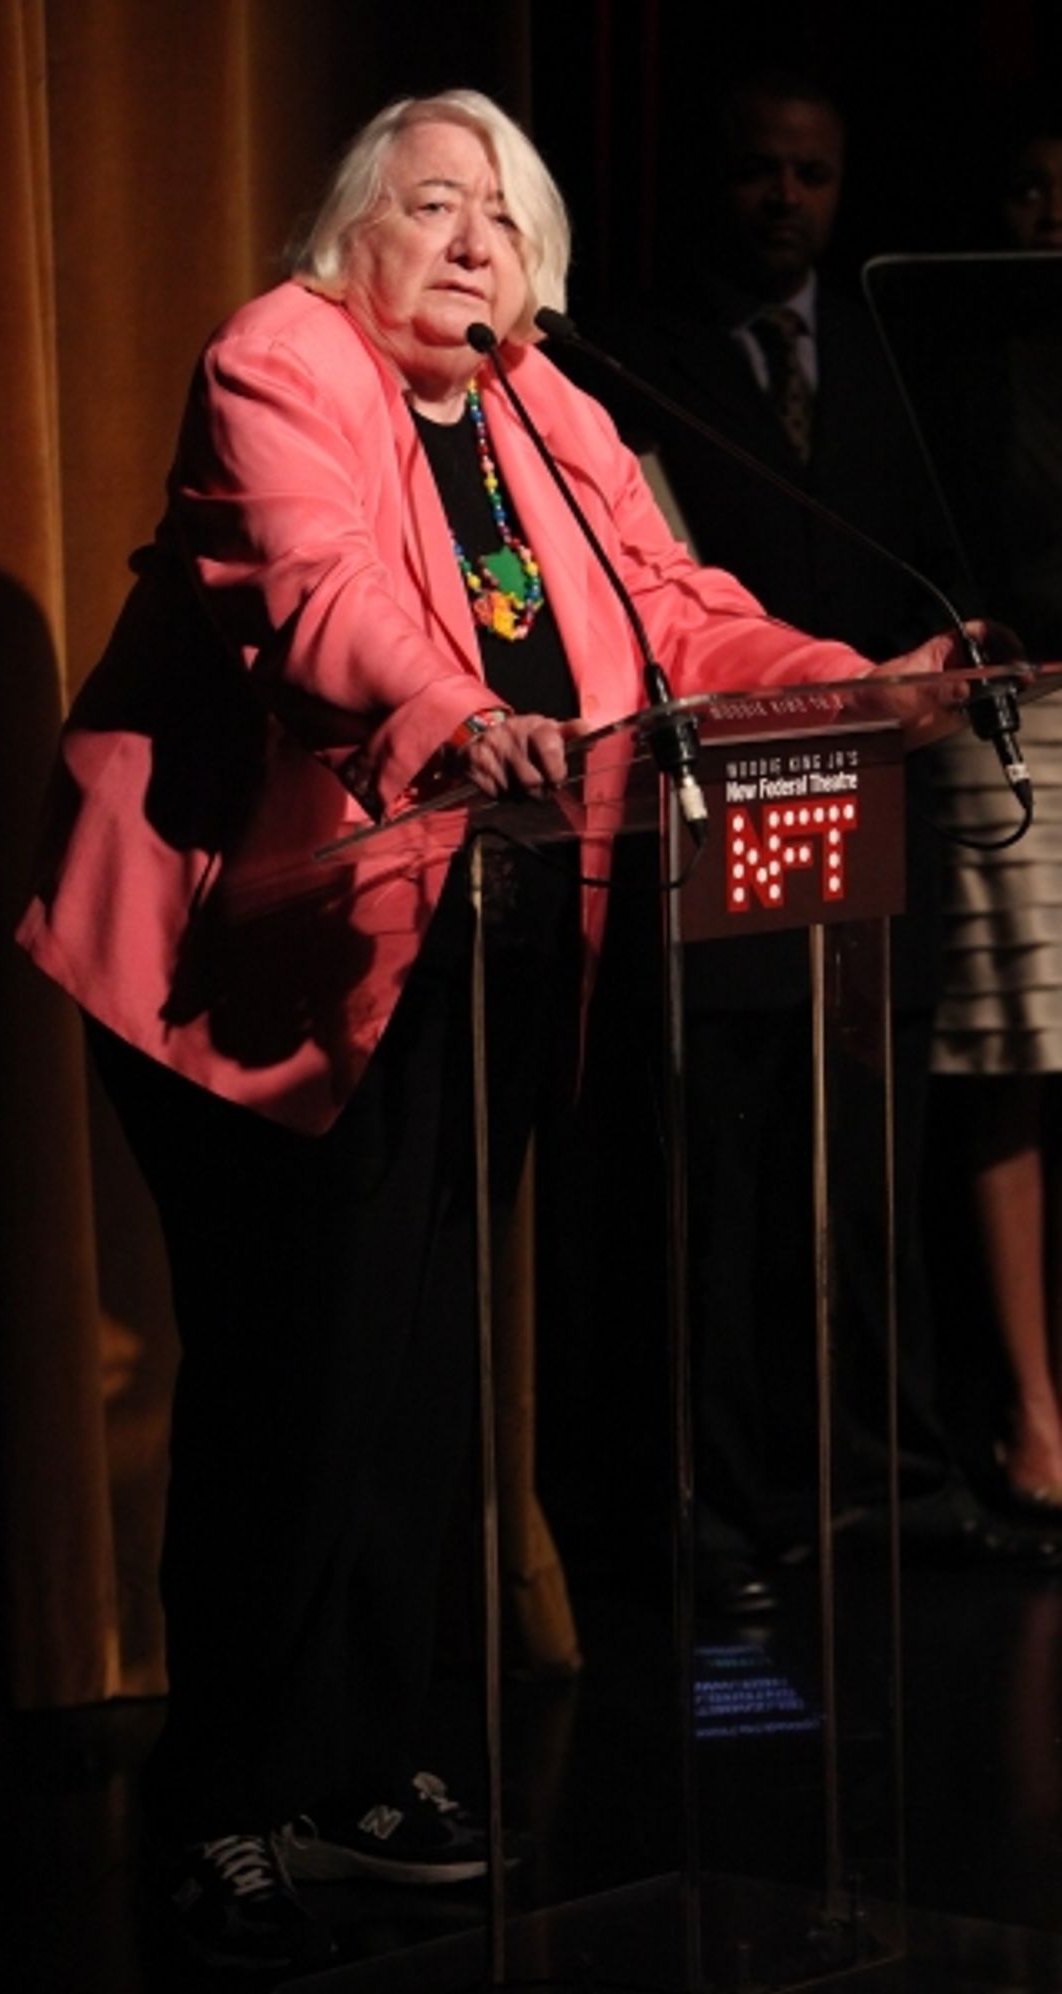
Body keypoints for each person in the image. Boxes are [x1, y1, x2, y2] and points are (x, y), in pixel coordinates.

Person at [17, 89, 961, 1977]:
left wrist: (857, 686)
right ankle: (223, 1801)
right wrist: (463, 719)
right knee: (300, 1375)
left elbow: (678, 613)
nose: (473, 247)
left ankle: (362, 1772)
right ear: (346, 233)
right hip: (263, 958)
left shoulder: (546, 405)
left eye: (505, 222)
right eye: (432, 206)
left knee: (422, 1373)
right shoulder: (278, 360)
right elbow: (319, 597)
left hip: (480, 947)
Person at [582, 66, 1060, 1612]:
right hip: (734, 793)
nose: (784, 202)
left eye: (813, 176)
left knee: (871, 1160)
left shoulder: (886, 347)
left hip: (886, 799)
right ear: (713, 182)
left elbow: (933, 542)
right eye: (757, 172)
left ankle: (893, 1482)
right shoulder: (633, 363)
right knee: (735, 1167)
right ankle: (723, 1507)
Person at [927, 98, 1062, 1510]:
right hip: (1018, 709)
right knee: (1016, 1056)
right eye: (1028, 185)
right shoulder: (953, 355)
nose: (1050, 213)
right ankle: (1033, 1419)